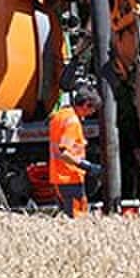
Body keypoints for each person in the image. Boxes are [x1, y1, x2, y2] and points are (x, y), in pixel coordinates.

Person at [49, 84, 102, 217]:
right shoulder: (72, 122)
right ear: (86, 104)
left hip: (58, 177)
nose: (92, 113)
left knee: (65, 219)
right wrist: (87, 166)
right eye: (92, 109)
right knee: (77, 220)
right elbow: (64, 152)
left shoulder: (60, 115)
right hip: (70, 178)